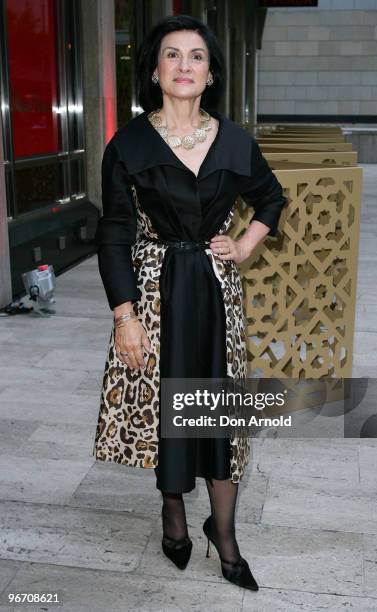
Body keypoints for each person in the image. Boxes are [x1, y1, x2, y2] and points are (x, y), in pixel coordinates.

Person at [92, 14, 287, 592]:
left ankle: (223, 533)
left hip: (216, 293)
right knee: (165, 410)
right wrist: (125, 316)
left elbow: (270, 198)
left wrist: (245, 243)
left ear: (209, 73)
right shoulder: (127, 144)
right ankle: (172, 514)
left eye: (196, 56)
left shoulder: (233, 140)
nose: (183, 66)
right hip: (154, 292)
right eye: (171, 55)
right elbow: (114, 236)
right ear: (154, 71)